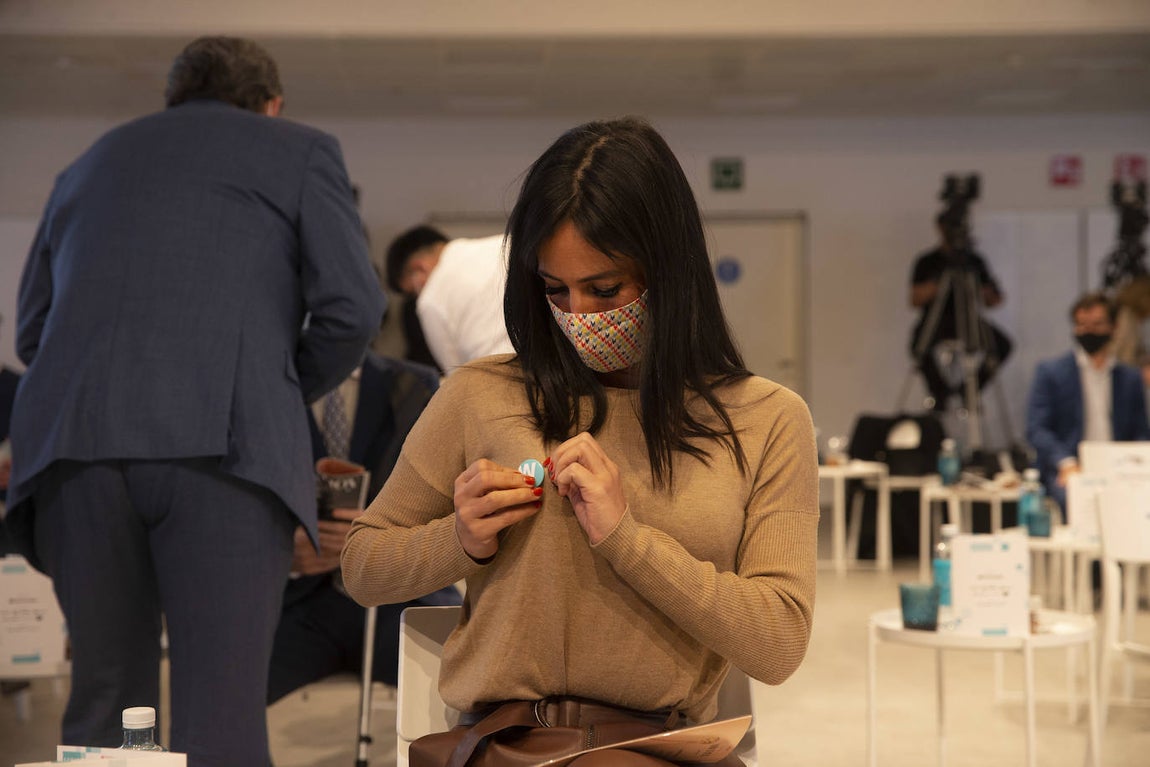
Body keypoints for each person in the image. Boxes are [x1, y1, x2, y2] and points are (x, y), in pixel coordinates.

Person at [343, 118, 818, 766]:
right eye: (555, 289)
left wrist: (628, 538)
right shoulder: (480, 394)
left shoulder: (764, 419)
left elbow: (778, 642)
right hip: (502, 742)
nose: (581, 316)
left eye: (605, 288)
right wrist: (459, 537)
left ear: (669, 272)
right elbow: (363, 564)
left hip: (662, 745)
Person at [4, 36, 384, 766]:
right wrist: (270, 389)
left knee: (105, 703)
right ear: (272, 106)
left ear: (173, 99)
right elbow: (354, 310)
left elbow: (32, 333)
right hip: (222, 454)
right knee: (221, 710)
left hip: (73, 446)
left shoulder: (86, 166)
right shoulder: (299, 150)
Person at [268, 352, 460, 703]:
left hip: (399, 596)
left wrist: (373, 545)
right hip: (296, 603)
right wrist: (281, 550)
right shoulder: (264, 388)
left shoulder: (414, 386)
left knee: (461, 689)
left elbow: (448, 503)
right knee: (228, 699)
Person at [1027, 291, 1150, 512]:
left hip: (1120, 467)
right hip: (1071, 465)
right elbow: (1037, 429)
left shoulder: (1129, 378)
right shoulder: (1051, 373)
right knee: (1076, 498)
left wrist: (1135, 462)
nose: (1089, 331)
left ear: (1113, 327)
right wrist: (1064, 461)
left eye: (1097, 324)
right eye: (1082, 325)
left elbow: (1140, 431)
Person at [908, 213, 1013, 412]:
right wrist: (939, 282)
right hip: (935, 319)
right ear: (939, 228)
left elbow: (994, 300)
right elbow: (914, 299)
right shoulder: (927, 261)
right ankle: (940, 394)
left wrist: (981, 289)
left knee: (1002, 345)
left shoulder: (973, 261)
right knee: (918, 348)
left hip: (967, 319)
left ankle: (970, 391)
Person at [384, 225, 514, 373]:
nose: (418, 296)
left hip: (501, 381)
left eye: (413, 292)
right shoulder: (503, 244)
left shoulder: (431, 298)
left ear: (419, 268)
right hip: (541, 362)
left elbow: (456, 377)